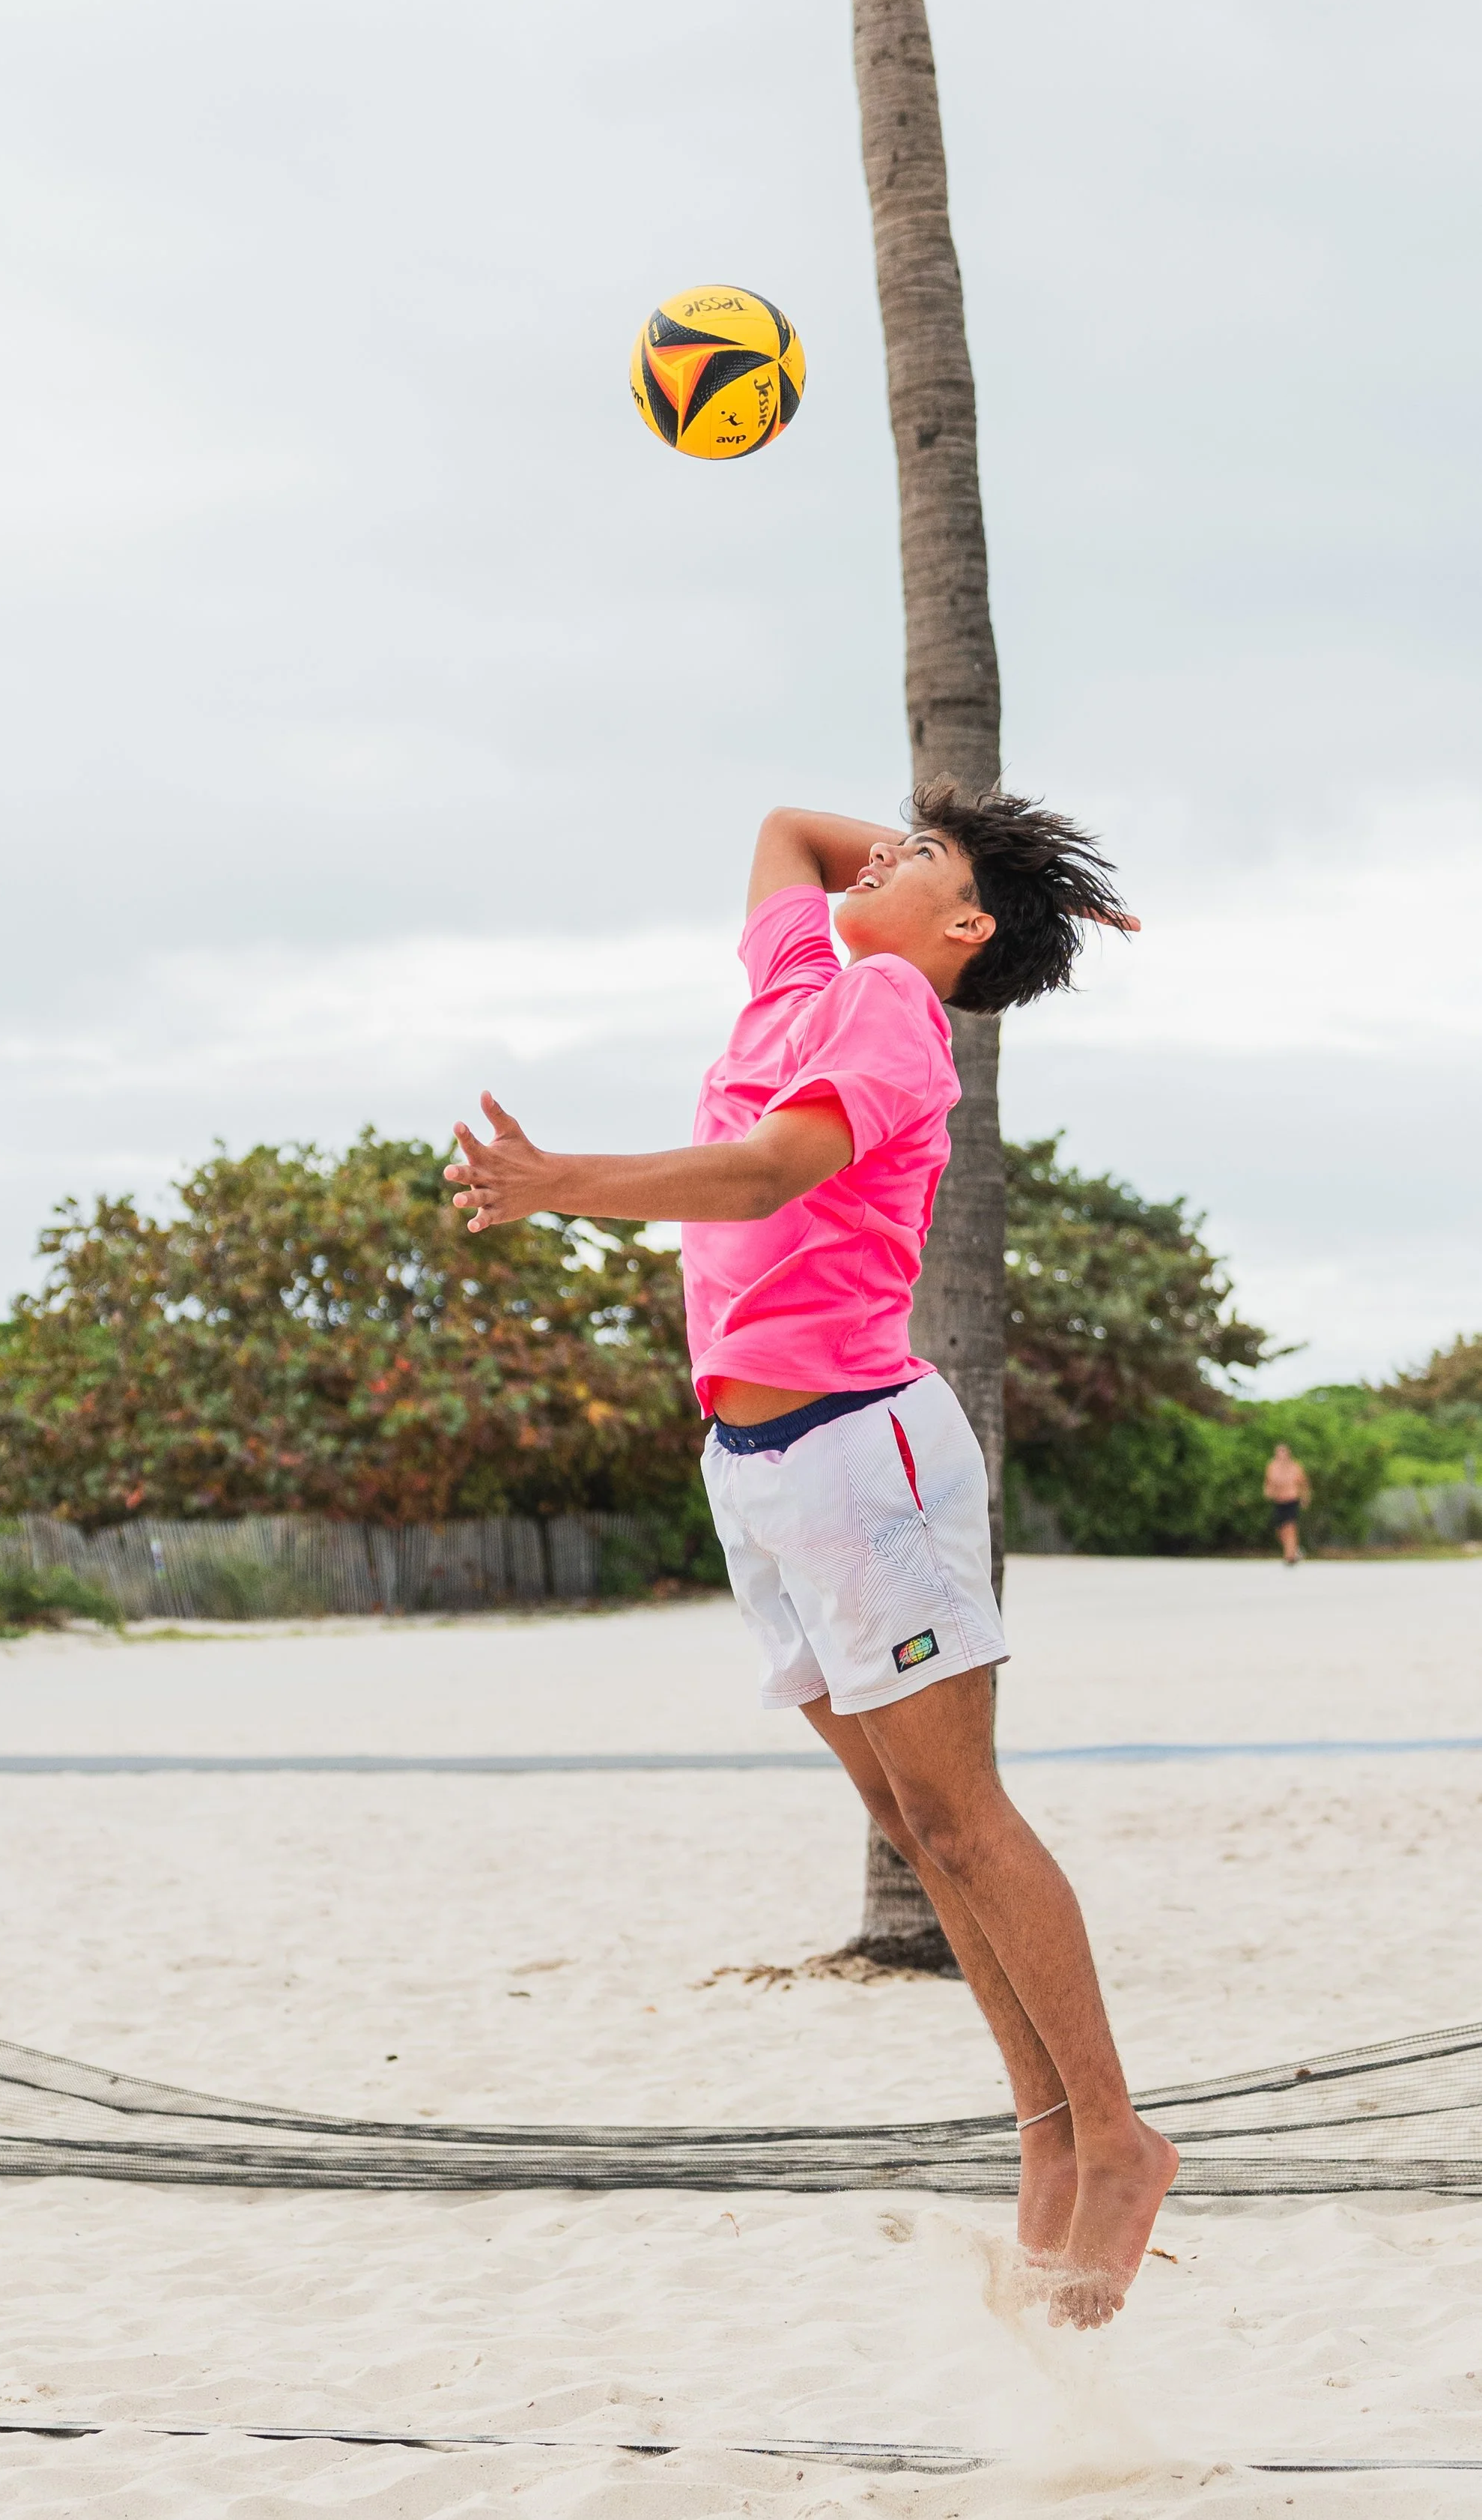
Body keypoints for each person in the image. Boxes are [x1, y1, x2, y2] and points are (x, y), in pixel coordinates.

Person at [446, 781, 1178, 2330]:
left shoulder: (895, 1010)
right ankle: (1042, 2132)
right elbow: (789, 826)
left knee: (961, 1819)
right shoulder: (798, 974)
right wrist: (1001, 876)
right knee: (915, 1827)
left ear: (954, 933)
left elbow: (775, 1169)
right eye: (894, 847)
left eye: (921, 863)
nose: (880, 862)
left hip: (863, 1453)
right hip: (758, 1464)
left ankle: (1112, 2137)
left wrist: (559, 1182)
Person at [1263, 1441, 1311, 1563]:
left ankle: (1289, 1556)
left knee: (1290, 1527)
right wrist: (1268, 1492)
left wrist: (1305, 1498)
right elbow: (1268, 1483)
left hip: (1292, 1499)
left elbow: (1304, 1484)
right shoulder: (1272, 1467)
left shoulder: (1295, 1467)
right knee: (1280, 1530)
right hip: (1279, 1501)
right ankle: (1294, 1550)